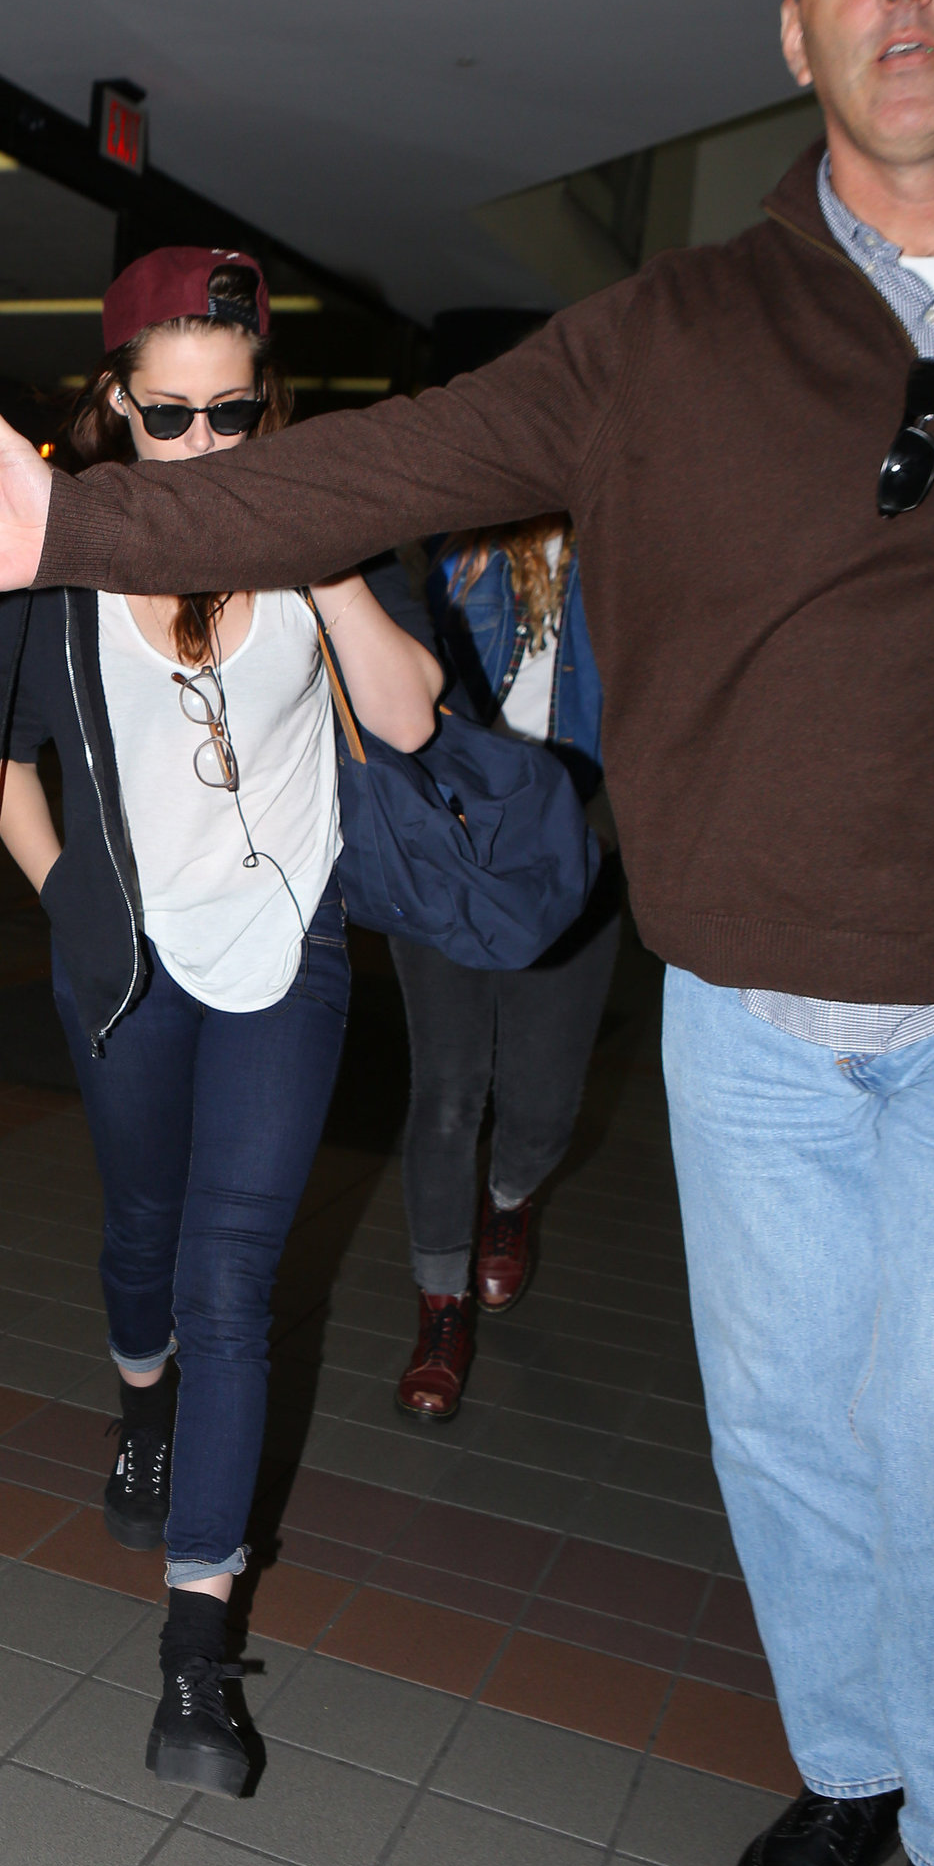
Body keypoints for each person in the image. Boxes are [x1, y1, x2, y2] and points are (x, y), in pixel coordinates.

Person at [0, 0, 934, 1866]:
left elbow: (399, 688)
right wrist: (87, 668)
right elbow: (56, 718)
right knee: (743, 1421)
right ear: (792, 15)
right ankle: (846, 1774)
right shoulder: (678, 329)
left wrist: (287, 565)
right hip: (557, 989)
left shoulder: (305, 536)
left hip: (813, 994)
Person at [0, 246, 441, 1798]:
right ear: (115, 404)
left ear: (268, 404)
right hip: (125, 964)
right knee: (141, 1236)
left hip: (286, 954)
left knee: (233, 1280)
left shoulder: (322, 518)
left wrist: (319, 555)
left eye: (234, 418)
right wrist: (71, 906)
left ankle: (192, 1662)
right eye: (168, 420)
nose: (202, 449)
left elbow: (413, 708)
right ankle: (136, 1402)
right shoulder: (60, 552)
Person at [384, 517, 620, 1422]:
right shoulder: (449, 551)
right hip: (451, 840)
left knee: (544, 1104)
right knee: (446, 1090)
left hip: (573, 845)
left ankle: (511, 1194)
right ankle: (439, 1311)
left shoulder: (635, 542)